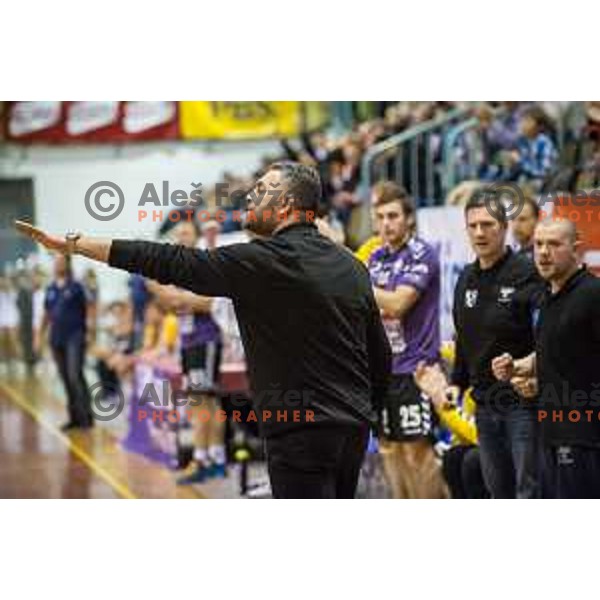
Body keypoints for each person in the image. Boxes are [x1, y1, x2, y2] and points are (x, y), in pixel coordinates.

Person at [15, 161, 392, 499]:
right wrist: (365, 412)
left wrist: (77, 245)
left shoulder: (261, 261)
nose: (250, 195)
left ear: (287, 207)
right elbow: (379, 355)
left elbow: (168, 260)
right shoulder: (351, 266)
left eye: (262, 191)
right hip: (351, 430)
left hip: (298, 431)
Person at [492, 219, 600, 498]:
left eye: (554, 244)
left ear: (576, 249)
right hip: (549, 430)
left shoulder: (592, 294)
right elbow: (551, 351)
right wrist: (517, 366)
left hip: (583, 435)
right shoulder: (545, 296)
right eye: (539, 244)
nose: (543, 252)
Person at [449, 190, 541, 498]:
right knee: (497, 491)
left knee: (528, 490)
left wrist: (534, 374)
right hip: (485, 405)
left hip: (521, 403)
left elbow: (548, 336)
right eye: (473, 225)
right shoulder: (465, 279)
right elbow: (464, 337)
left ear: (504, 228)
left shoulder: (527, 273)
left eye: (487, 225)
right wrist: (456, 382)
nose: (480, 232)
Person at [367, 183, 444, 498]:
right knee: (390, 450)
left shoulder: (422, 253)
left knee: (417, 452)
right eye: (381, 217)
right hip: (384, 370)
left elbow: (399, 304)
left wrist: (358, 286)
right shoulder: (375, 257)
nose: (387, 223)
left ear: (409, 219)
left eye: (394, 216)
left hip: (417, 370)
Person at [147, 220, 226, 484]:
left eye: (186, 234)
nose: (181, 238)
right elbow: (171, 305)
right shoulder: (180, 269)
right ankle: (214, 459)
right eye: (178, 235)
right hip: (189, 341)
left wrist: (181, 299)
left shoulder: (203, 265)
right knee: (203, 402)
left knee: (202, 402)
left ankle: (203, 460)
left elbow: (212, 303)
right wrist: (169, 296)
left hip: (205, 341)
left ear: (196, 237)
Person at [37, 254, 94, 430]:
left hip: (75, 337)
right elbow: (46, 314)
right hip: (56, 338)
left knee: (74, 374)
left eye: (61, 261)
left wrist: (90, 332)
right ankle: (74, 417)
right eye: (56, 261)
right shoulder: (51, 288)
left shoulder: (77, 286)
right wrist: (39, 336)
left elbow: (90, 308)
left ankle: (86, 417)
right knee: (65, 378)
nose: (58, 264)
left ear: (68, 264)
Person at [511, 194, 540, 260]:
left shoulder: (545, 256)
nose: (516, 225)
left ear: (537, 221)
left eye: (522, 219)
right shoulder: (511, 256)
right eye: (513, 219)